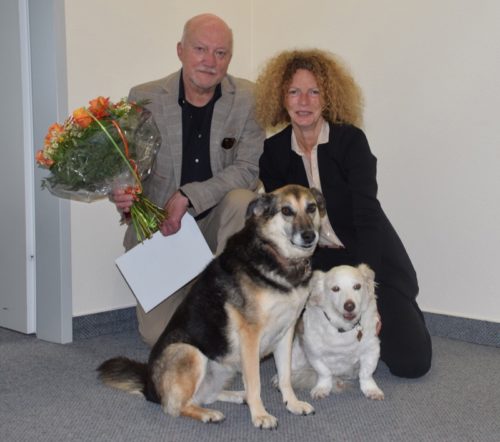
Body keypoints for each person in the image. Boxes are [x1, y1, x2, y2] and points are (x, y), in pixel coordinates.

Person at [254, 49, 431, 378]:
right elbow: (281, 230)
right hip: (316, 262)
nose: (304, 101)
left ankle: (402, 310)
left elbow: (367, 217)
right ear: (281, 97)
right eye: (294, 91)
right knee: (270, 345)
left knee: (412, 363)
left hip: (367, 255)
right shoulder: (274, 151)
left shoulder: (351, 142)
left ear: (328, 97)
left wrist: (369, 294)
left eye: (314, 91)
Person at [111, 14, 265, 346]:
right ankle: (198, 295)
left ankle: (229, 310)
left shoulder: (249, 98)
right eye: (200, 49)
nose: (210, 62)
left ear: (229, 58)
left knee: (242, 199)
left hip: (219, 225)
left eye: (221, 53)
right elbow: (128, 167)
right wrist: (122, 192)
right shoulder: (145, 97)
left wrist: (188, 195)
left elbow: (248, 170)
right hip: (166, 231)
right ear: (180, 50)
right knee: (159, 338)